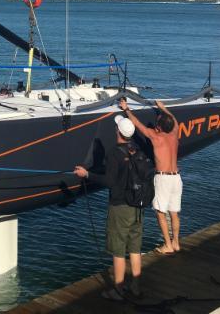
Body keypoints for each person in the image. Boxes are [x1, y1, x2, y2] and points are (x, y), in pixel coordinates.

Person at [74, 115, 146, 301]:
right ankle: (136, 287)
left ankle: (119, 290)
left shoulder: (114, 153)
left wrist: (87, 174)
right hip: (137, 206)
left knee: (118, 250)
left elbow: (109, 181)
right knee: (135, 248)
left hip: (120, 206)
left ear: (118, 132)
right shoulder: (136, 149)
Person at [119, 97, 181, 254]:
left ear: (159, 127)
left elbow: (138, 126)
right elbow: (174, 120)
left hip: (163, 178)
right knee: (174, 213)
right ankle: (176, 243)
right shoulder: (174, 133)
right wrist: (163, 108)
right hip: (177, 178)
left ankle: (167, 245)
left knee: (160, 213)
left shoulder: (156, 136)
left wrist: (126, 109)